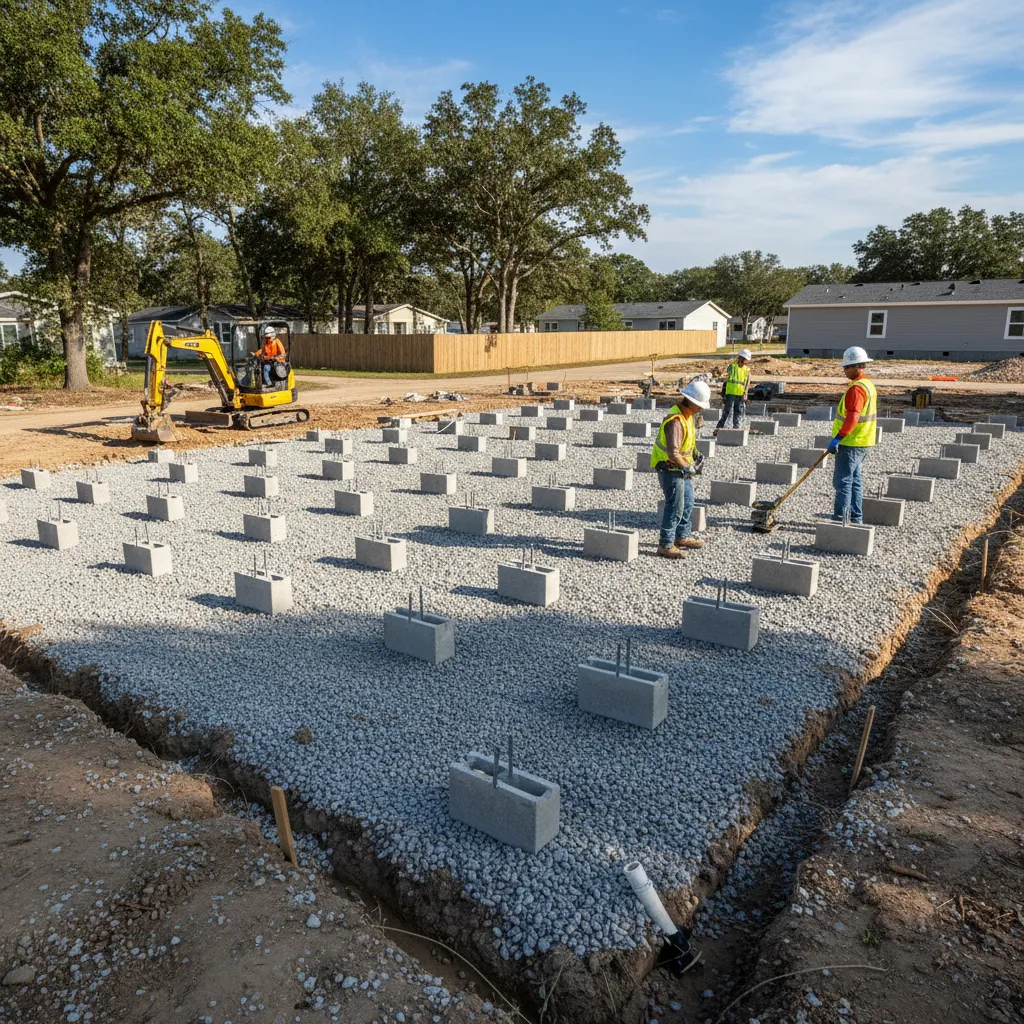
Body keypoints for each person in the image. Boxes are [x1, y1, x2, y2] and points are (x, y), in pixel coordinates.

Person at [650, 379, 711, 559]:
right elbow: (673, 453)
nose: (700, 409)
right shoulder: (675, 421)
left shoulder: (687, 416)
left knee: (688, 501)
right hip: (670, 468)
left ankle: (682, 536)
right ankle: (666, 544)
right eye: (699, 405)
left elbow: (687, 445)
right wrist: (688, 467)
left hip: (680, 468)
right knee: (674, 505)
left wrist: (696, 454)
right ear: (690, 402)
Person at [824, 346, 877, 524]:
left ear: (857, 366)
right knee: (855, 481)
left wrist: (839, 437)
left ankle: (841, 519)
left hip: (851, 442)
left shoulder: (856, 389)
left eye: (846, 367)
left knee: (843, 482)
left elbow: (853, 416)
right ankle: (856, 517)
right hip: (863, 441)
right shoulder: (867, 385)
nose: (844, 371)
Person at [714, 348, 752, 433]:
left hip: (739, 394)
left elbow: (747, 382)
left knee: (738, 412)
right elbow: (726, 374)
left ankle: (736, 430)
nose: (745, 361)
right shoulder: (732, 366)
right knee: (726, 412)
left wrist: (745, 394)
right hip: (730, 393)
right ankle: (718, 429)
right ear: (741, 358)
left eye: (746, 360)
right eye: (744, 359)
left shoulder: (747, 370)